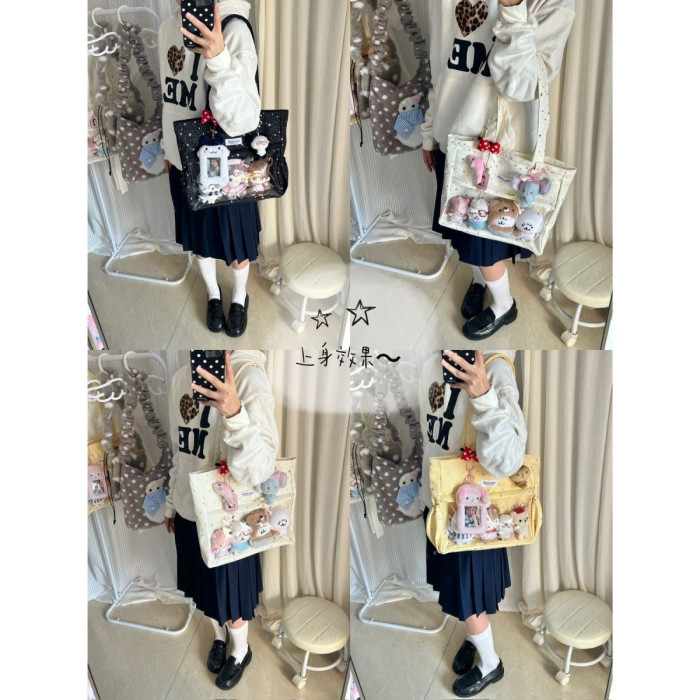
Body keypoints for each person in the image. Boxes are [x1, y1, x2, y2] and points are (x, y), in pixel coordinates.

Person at [421, 0, 575, 340]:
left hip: (500, 155)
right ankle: (481, 281)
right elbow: (438, 68)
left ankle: (505, 305)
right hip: (453, 142)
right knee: (468, 233)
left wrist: (513, 9)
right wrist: (429, 133)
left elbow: (524, 86)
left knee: (487, 248)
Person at [164, 350, 279, 691]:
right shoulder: (179, 378)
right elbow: (180, 451)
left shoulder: (249, 377)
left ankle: (241, 651)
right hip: (188, 510)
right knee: (204, 592)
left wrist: (235, 413)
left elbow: (261, 470)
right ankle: (219, 637)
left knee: (232, 598)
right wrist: (171, 505)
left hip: (228, 520)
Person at [419, 349, 526, 697]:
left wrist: (483, 395)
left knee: (469, 595)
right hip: (443, 505)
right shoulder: (432, 357)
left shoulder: (494, 367)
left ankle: (491, 663)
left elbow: (509, 460)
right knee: (461, 593)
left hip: (472, 516)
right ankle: (473, 635)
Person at [159, 1, 262, 336]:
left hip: (228, 167)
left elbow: (244, 119)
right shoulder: (166, 28)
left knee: (237, 245)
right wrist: (168, 147)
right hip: (183, 160)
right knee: (200, 241)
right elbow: (169, 97)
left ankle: (240, 296)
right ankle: (213, 293)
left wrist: (217, 57)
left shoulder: (234, 27)